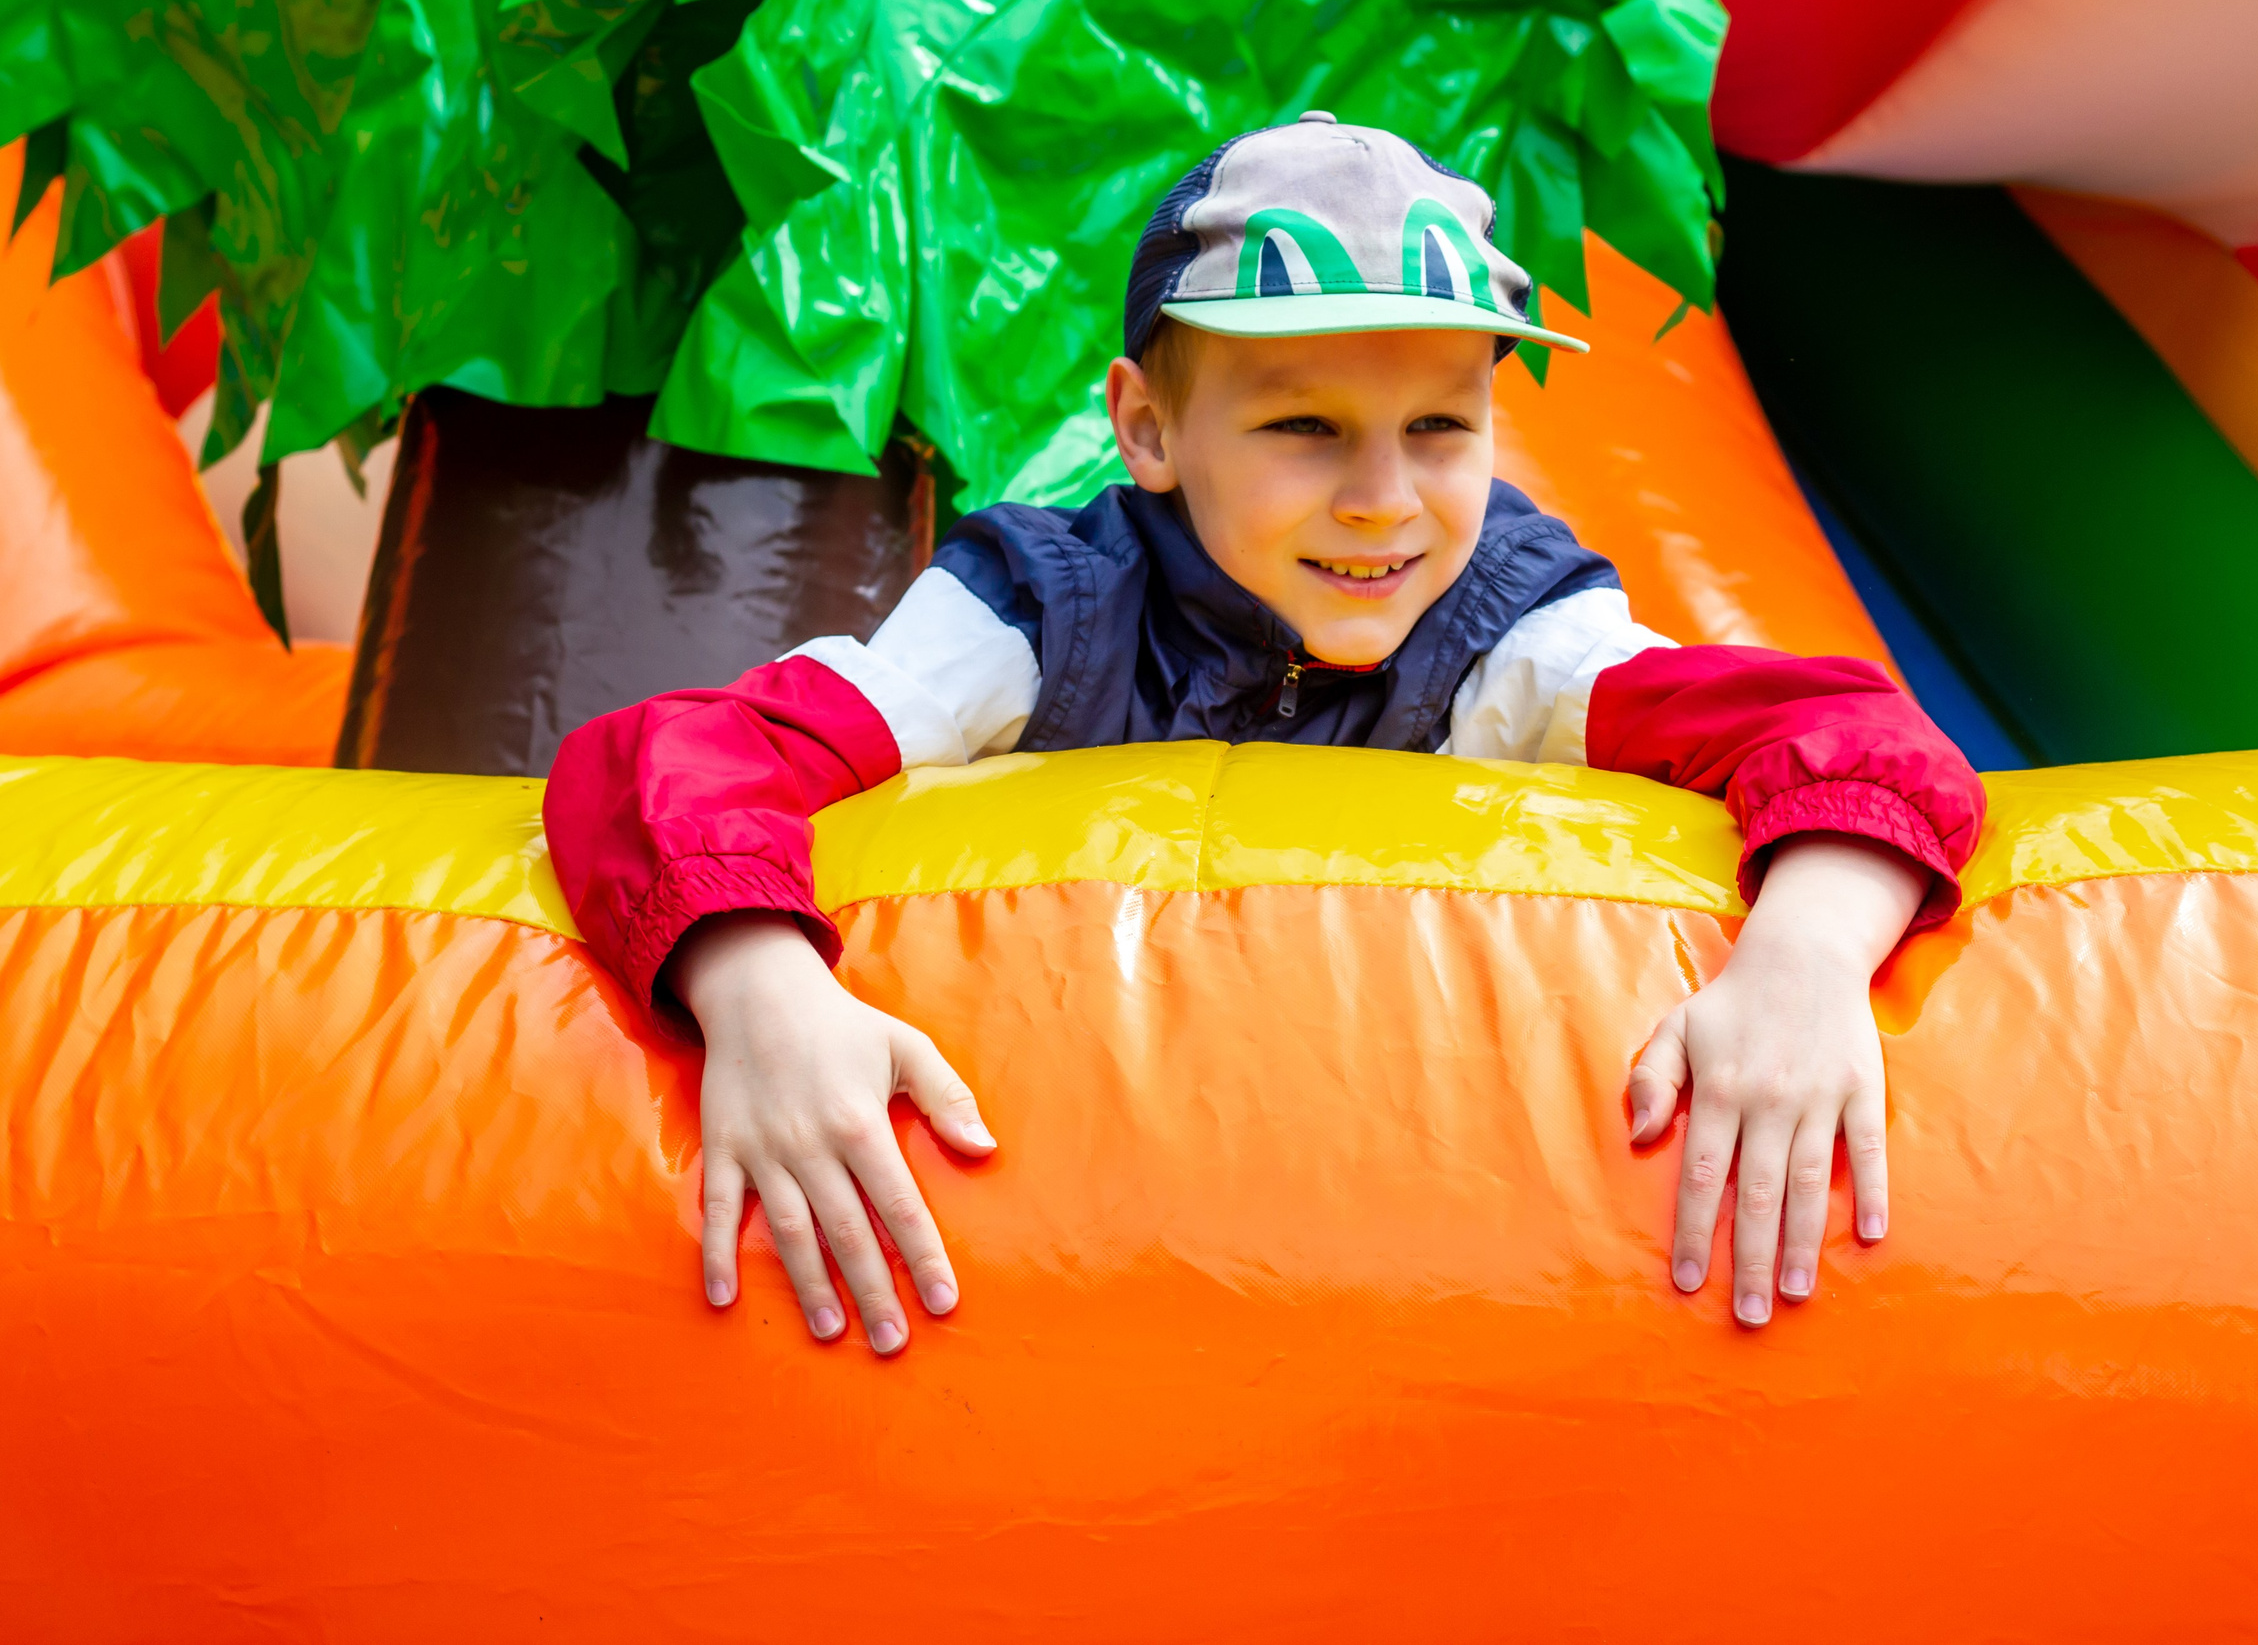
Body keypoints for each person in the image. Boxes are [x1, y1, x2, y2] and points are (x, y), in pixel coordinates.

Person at [545, 113, 1985, 1357]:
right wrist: (758, 993)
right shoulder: (1037, 618)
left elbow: (1845, 726)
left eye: (1438, 426)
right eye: (1302, 426)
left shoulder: (1513, 636)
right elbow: (677, 753)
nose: (1382, 501)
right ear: (1150, 430)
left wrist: (1799, 965)